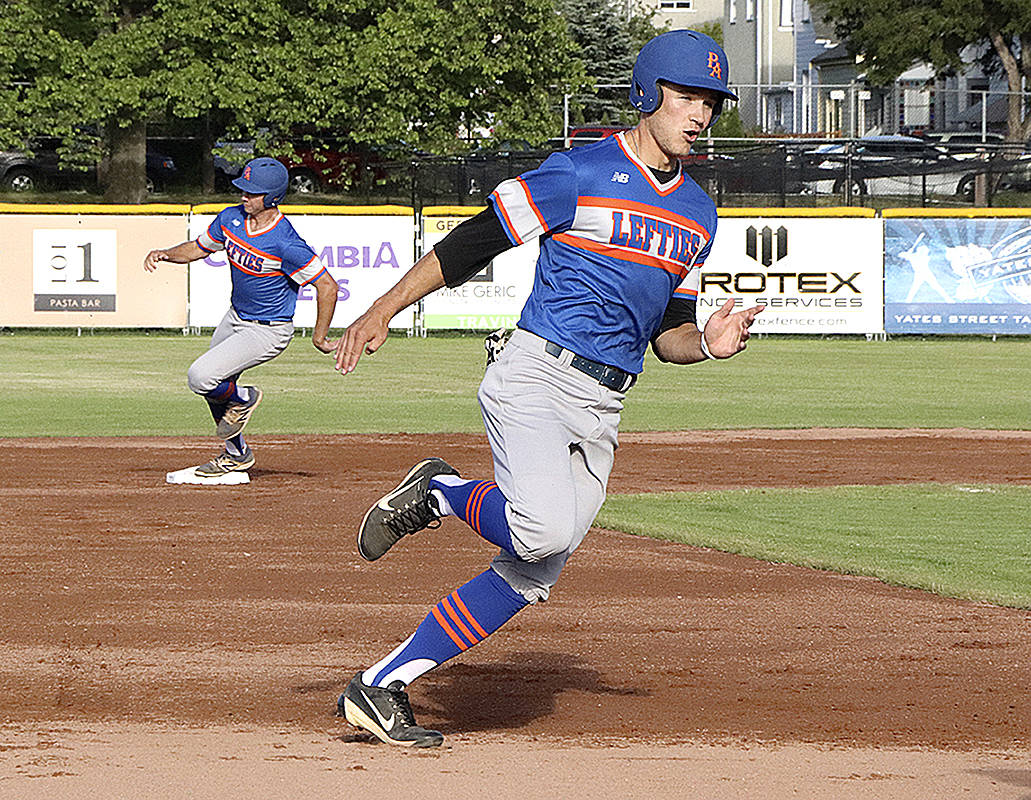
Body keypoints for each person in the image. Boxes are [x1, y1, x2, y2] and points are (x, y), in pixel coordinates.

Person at [333, 30, 764, 748]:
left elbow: (668, 337)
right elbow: (477, 240)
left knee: (533, 571)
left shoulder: (697, 213)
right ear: (646, 92)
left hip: (605, 401)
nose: (700, 114)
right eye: (687, 95)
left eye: (711, 102)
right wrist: (384, 307)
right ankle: (439, 492)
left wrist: (708, 347)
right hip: (536, 372)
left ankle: (381, 685)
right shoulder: (579, 171)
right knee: (541, 529)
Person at [144, 156, 339, 476]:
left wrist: (319, 336)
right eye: (242, 190)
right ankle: (236, 454)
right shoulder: (230, 219)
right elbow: (199, 247)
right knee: (215, 391)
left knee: (201, 376)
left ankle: (247, 397)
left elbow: (327, 287)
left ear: (273, 197)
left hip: (268, 331)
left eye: (252, 193)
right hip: (235, 318)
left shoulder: (285, 243)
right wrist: (167, 254)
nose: (243, 196)